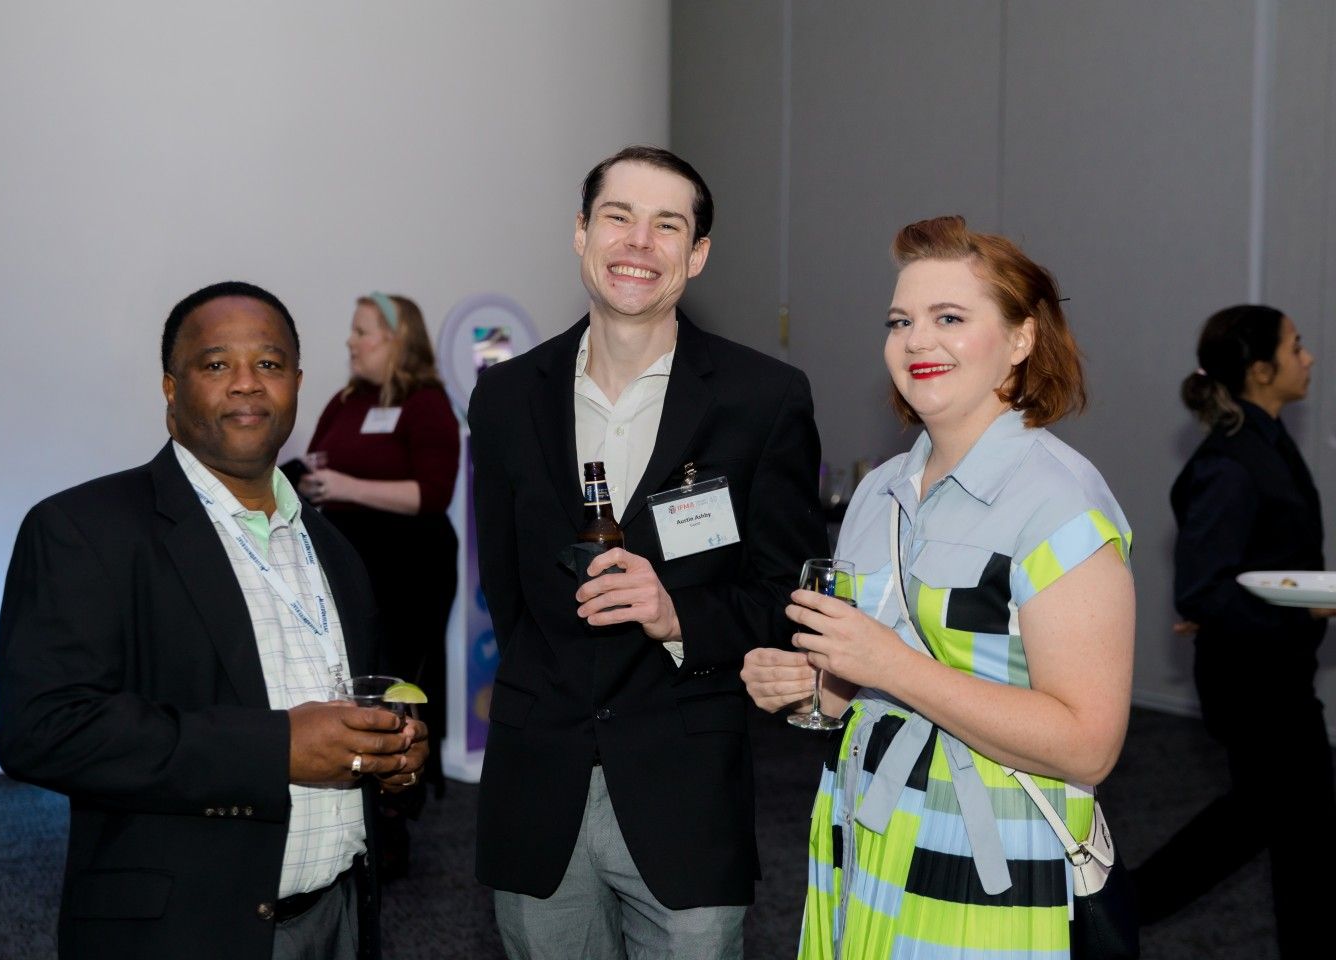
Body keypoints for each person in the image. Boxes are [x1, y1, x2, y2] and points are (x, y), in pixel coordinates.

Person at [0, 281, 428, 960]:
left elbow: (348, 703)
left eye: (271, 364)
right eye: (217, 364)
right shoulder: (84, 530)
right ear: (171, 389)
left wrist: (388, 756)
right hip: (185, 932)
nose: (248, 385)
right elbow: (43, 731)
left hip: (341, 918)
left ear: (298, 383)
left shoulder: (338, 549)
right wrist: (276, 746)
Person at [468, 145, 826, 959]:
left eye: (667, 226)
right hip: (538, 778)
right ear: (581, 233)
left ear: (696, 255)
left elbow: (790, 597)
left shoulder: (762, 400)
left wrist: (676, 616)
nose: (638, 243)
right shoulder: (505, 396)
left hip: (685, 783)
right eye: (618, 217)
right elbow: (506, 591)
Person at [742, 216, 1135, 958]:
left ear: (1020, 340)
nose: (916, 341)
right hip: (867, 842)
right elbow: (858, 685)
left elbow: (1088, 746)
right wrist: (807, 688)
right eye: (901, 321)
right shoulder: (879, 492)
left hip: (986, 866)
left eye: (949, 318)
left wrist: (890, 666)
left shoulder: (1060, 504)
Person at [1131, 305, 1335, 955]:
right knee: (1275, 818)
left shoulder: (1266, 440)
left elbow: (1243, 567)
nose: (1308, 358)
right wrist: (1298, 608)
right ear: (1259, 370)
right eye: (1296, 347)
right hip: (1252, 681)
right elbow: (1203, 587)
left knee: (1283, 820)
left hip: (1275, 667)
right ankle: (1114, 912)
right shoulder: (1233, 461)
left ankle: (1114, 913)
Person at [294, 291, 459, 877]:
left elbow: (432, 495)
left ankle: (394, 812)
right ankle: (349, 791)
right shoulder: (345, 399)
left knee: (400, 682)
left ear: (397, 339)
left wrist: (342, 486)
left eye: (362, 331)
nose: (350, 341)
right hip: (349, 562)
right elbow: (316, 463)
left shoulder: (425, 402)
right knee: (349, 678)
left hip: (411, 566)